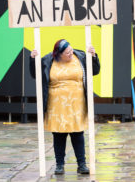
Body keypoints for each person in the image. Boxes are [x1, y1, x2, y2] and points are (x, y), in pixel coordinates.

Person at [30, 39, 100, 175]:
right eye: (67, 52)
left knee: (78, 133)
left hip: (76, 103)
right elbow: (35, 74)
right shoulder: (48, 60)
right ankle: (59, 165)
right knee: (59, 135)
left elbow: (95, 71)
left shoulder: (80, 56)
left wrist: (94, 56)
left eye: (71, 50)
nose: (71, 53)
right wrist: (32, 59)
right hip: (56, 105)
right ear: (59, 54)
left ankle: (82, 164)